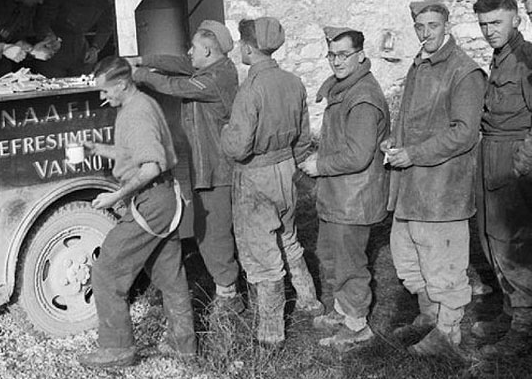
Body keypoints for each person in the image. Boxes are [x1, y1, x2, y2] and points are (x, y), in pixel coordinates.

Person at [78, 57, 196, 369]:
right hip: (164, 198)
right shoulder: (140, 105)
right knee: (168, 274)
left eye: (105, 91)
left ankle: (117, 350)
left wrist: (115, 196)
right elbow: (137, 152)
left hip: (151, 201)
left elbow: (150, 166)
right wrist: (100, 150)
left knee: (106, 271)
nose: (102, 97)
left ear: (121, 84)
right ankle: (184, 347)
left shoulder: (137, 114)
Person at [385, 0, 485, 359]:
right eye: (419, 26)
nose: (426, 33)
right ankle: (429, 315)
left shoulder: (464, 71)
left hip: (443, 189)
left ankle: (448, 333)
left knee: (444, 267)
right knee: (408, 258)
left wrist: (414, 153)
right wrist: (395, 144)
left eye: (432, 25)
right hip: (412, 185)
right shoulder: (419, 64)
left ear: (446, 25)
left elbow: (464, 133)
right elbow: (416, 121)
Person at [220, 17, 321, 349]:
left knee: (263, 253)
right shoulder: (293, 82)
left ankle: (271, 331)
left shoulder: (250, 89)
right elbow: (304, 139)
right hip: (286, 169)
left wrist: (225, 133)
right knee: (288, 237)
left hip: (256, 176)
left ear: (248, 48)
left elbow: (238, 147)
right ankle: (309, 301)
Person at [131, 20, 242, 312]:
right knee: (212, 229)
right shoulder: (210, 66)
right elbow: (179, 64)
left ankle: (230, 297)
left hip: (218, 170)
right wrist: (142, 60)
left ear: (207, 50)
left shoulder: (216, 78)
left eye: (193, 48)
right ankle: (228, 285)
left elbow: (174, 84)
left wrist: (139, 75)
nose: (188, 53)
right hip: (209, 167)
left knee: (213, 233)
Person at [299, 26, 390, 347]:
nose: (336, 61)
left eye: (344, 54)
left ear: (361, 55)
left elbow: (359, 154)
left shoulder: (363, 96)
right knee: (331, 255)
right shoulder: (345, 88)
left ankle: (356, 325)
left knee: (350, 264)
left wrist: (318, 165)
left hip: (354, 198)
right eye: (331, 54)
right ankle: (342, 309)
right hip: (339, 195)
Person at [472, 0, 532, 359]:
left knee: (514, 238)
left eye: (496, 22)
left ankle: (524, 326)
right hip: (491, 151)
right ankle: (511, 312)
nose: (489, 30)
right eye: (483, 25)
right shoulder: (501, 57)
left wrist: (522, 159)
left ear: (515, 19)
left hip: (512, 156)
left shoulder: (526, 58)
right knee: (491, 236)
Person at [34, 0, 114, 78]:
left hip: (81, 46)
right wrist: (49, 37)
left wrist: (96, 48)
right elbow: (42, 19)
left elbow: (107, 23)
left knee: (84, 86)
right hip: (55, 46)